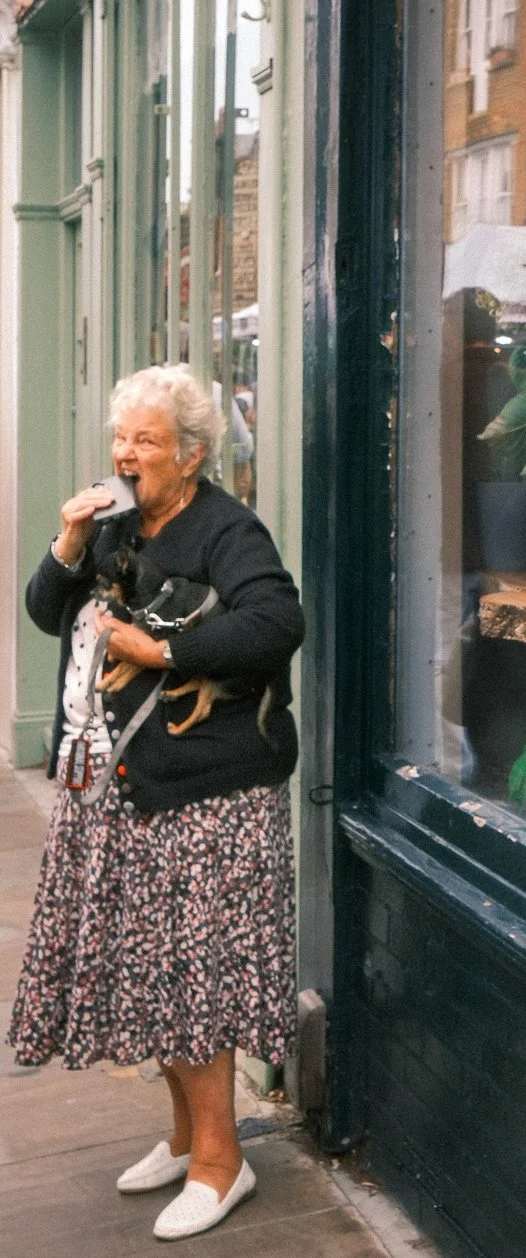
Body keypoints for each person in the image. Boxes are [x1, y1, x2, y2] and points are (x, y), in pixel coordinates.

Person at [9, 365, 306, 1241]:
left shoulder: (228, 530)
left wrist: (161, 647)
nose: (125, 454)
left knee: (191, 982)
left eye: (144, 440)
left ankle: (225, 1163)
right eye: (121, 437)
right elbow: (42, 612)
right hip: (123, 786)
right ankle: (185, 1140)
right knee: (151, 977)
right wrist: (66, 544)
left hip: (206, 798)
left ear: (191, 454)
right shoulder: (113, 523)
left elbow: (277, 624)